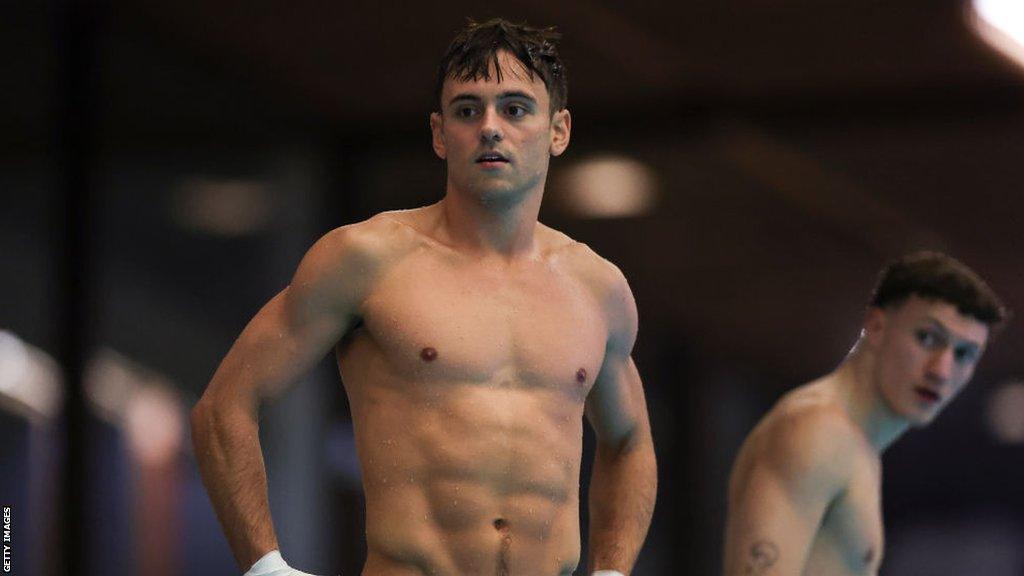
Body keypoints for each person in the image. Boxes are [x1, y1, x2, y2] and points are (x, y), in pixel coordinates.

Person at [191, 18, 657, 576]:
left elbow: (630, 441)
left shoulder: (597, 288)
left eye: (514, 109)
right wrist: (266, 568)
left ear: (558, 130)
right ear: (439, 134)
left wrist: (612, 572)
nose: (489, 128)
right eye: (467, 110)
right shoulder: (366, 260)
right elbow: (224, 407)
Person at [722, 252, 1009, 575]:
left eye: (964, 354)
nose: (942, 370)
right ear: (876, 326)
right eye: (928, 338)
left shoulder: (853, 446)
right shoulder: (816, 431)